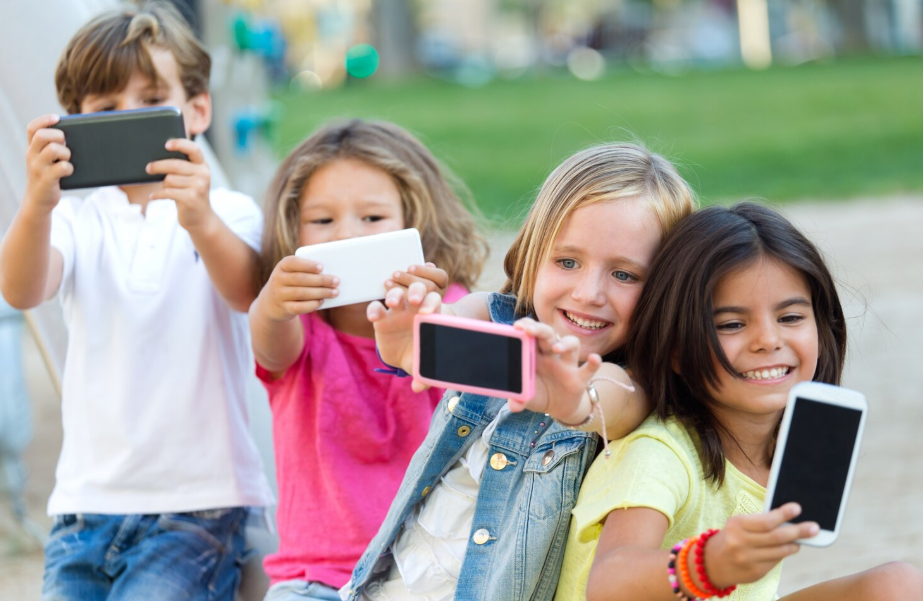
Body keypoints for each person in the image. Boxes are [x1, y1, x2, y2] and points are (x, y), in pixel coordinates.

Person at [341, 142, 697, 601]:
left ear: (665, 291)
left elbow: (609, 402)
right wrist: (413, 342)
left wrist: (573, 400)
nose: (589, 293)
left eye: (624, 275)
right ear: (533, 254)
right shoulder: (494, 319)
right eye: (567, 262)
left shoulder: (631, 380)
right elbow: (439, 343)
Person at [0, 3, 273, 599]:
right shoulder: (75, 218)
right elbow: (21, 288)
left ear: (197, 111)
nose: (128, 118)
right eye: (105, 109)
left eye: (151, 100)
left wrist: (199, 219)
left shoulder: (228, 210)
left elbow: (245, 292)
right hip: (84, 504)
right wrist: (36, 203)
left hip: (199, 505)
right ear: (73, 124)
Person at [555, 202, 923, 601]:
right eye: (732, 324)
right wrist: (710, 563)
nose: (768, 340)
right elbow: (609, 584)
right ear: (676, 350)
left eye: (790, 318)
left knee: (897, 585)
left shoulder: (805, 439)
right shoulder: (661, 452)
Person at [248, 119, 488, 601]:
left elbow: (483, 384)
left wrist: (431, 320)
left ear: (414, 222)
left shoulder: (449, 308)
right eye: (322, 221)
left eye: (373, 218)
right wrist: (272, 303)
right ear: (292, 229)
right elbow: (268, 342)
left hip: (426, 576)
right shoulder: (296, 326)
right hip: (313, 578)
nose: (346, 235)